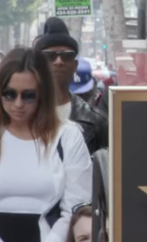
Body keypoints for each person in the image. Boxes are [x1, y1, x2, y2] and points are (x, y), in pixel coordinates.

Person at [0, 48, 92, 242]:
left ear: (43, 95)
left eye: (28, 95)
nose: (18, 104)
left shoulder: (68, 137)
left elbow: (76, 207)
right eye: (9, 94)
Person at [35, 17, 108, 155]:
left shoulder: (97, 122)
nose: (59, 61)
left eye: (67, 56)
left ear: (75, 65)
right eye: (50, 56)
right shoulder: (21, 115)